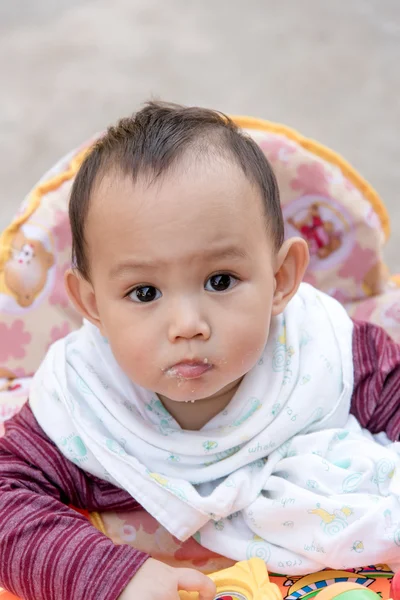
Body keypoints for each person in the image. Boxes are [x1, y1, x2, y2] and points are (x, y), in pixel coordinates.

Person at [0, 102, 399, 600]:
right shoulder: (87, 403)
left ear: (281, 279)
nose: (187, 325)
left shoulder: (327, 351)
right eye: (144, 293)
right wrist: (116, 578)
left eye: (220, 280)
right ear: (92, 303)